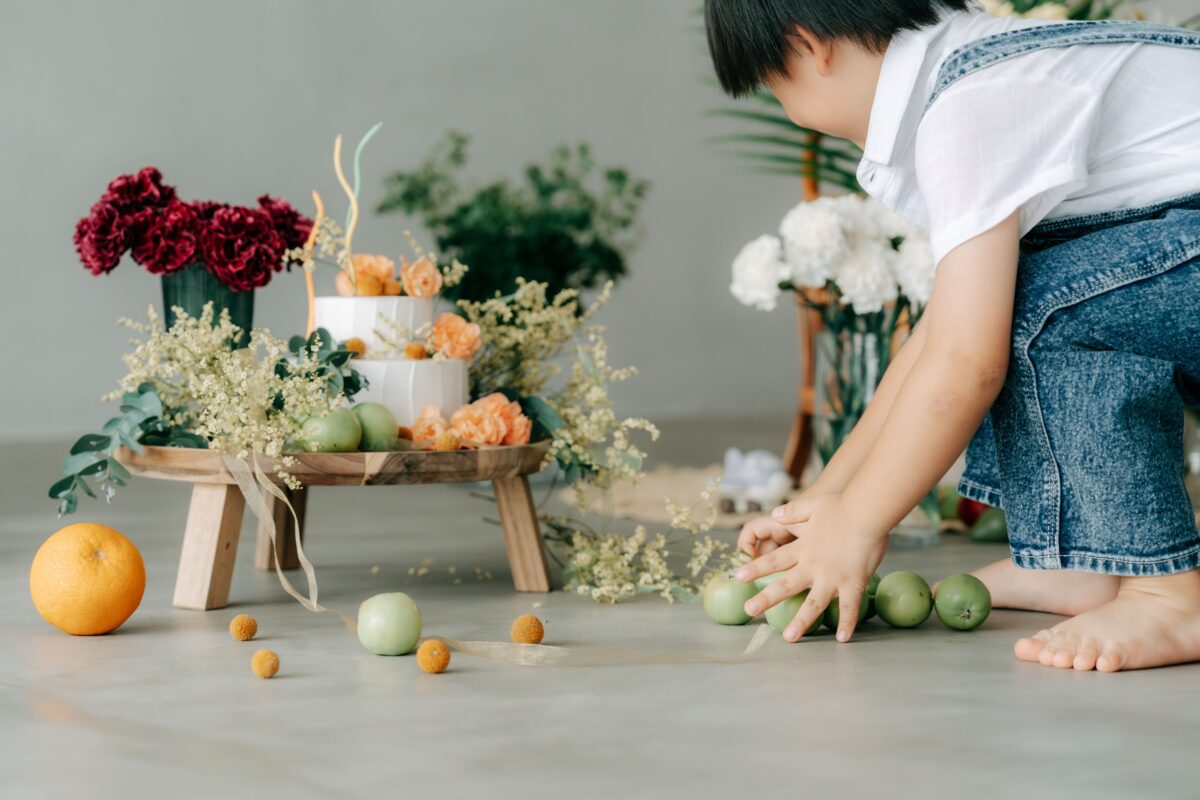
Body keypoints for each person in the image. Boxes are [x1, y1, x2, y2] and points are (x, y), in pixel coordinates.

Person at [705, 0, 1200, 672]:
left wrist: (858, 527)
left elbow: (967, 365)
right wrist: (832, 495)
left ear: (809, 47)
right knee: (1007, 298)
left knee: (1037, 306)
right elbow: (944, 335)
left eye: (773, 84)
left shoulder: (971, 109)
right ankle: (1088, 558)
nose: (786, 107)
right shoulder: (984, 67)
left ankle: (1170, 599)